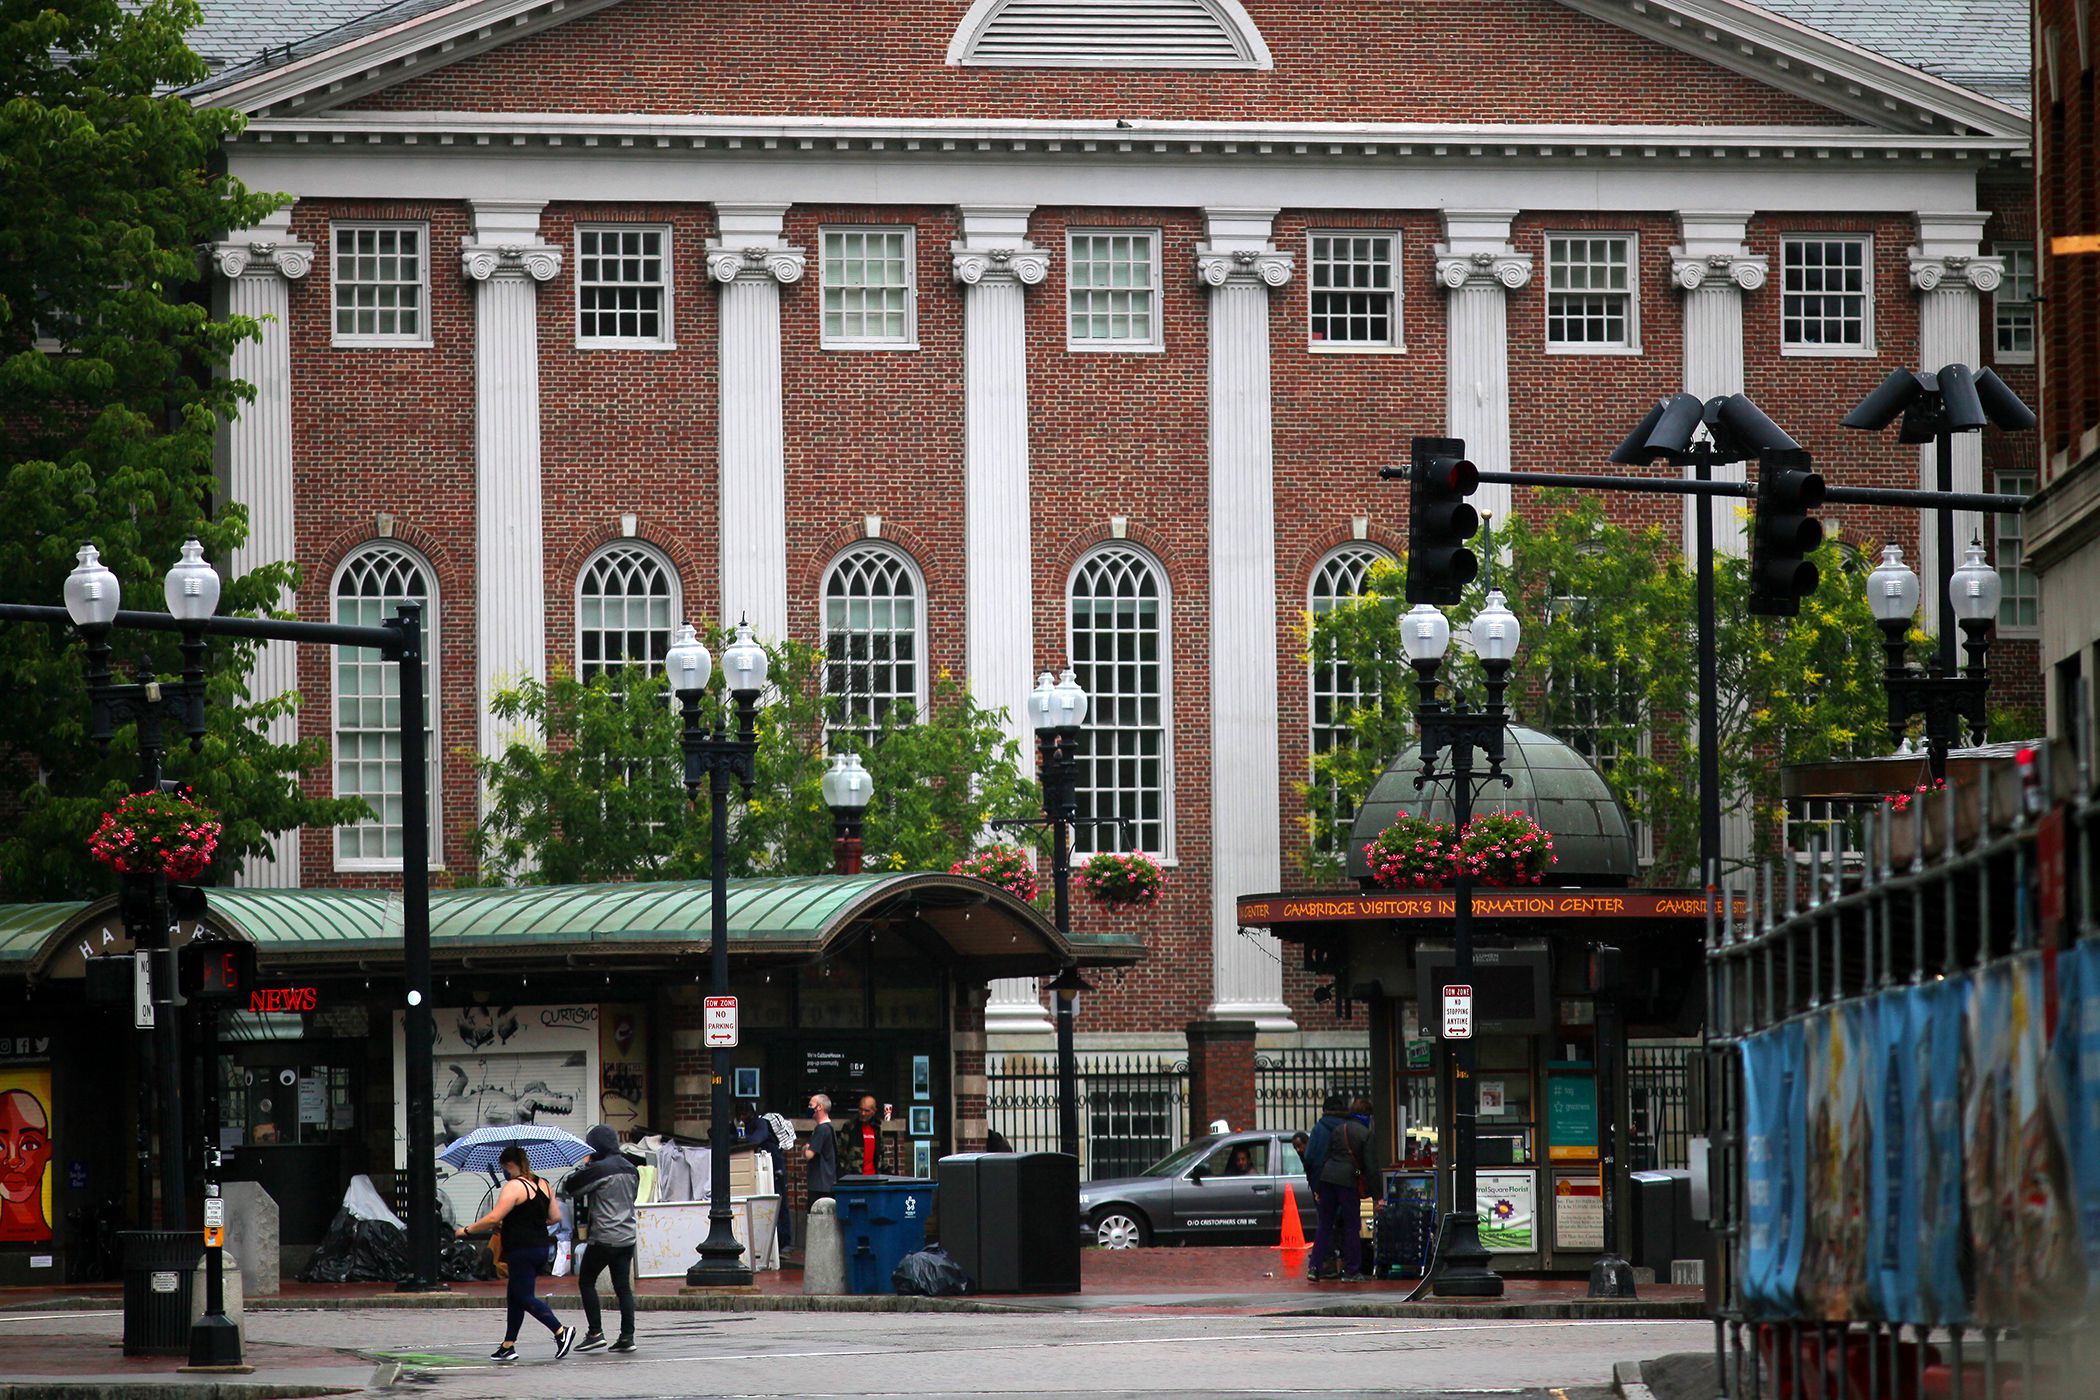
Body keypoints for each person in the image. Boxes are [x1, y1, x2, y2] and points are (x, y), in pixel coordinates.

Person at [458, 1145, 575, 1362]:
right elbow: (555, 1217)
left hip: (522, 1249)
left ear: (509, 1165)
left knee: (523, 1297)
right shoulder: (544, 1184)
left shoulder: (514, 1186)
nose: (504, 1172)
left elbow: (493, 1218)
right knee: (514, 1296)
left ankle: (561, 1331)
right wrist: (524, 1221)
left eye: (504, 1168)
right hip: (540, 1247)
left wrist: (466, 1230)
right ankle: (508, 1345)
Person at [560, 1125, 638, 1354]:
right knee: (623, 1287)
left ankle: (595, 1333)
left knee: (586, 1280)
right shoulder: (632, 1168)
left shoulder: (599, 1169)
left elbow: (571, 1188)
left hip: (604, 1236)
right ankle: (627, 1336)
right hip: (627, 1236)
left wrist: (586, 1166)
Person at [1304, 1092, 1370, 1282]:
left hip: (1326, 1181)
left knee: (1325, 1224)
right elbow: (1360, 1164)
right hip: (1348, 1181)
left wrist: (1316, 1185)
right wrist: (1360, 1178)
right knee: (1350, 1225)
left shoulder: (1319, 1129)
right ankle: (1350, 1269)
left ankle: (1317, 1266)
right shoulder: (1349, 1129)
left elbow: (1313, 1158)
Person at [841, 1094, 889, 1177]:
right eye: (861, 1109)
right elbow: (841, 1152)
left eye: (867, 1111)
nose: (863, 1113)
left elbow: (880, 1153)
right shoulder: (850, 1127)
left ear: (873, 1111)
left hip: (874, 1176)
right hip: (854, 1176)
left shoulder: (876, 1128)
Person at [804, 1094, 838, 1203]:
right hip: (827, 1181)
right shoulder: (829, 1128)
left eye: (811, 1105)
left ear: (819, 1107)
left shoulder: (821, 1129)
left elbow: (809, 1154)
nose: (808, 1108)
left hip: (819, 1184)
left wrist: (805, 1148)